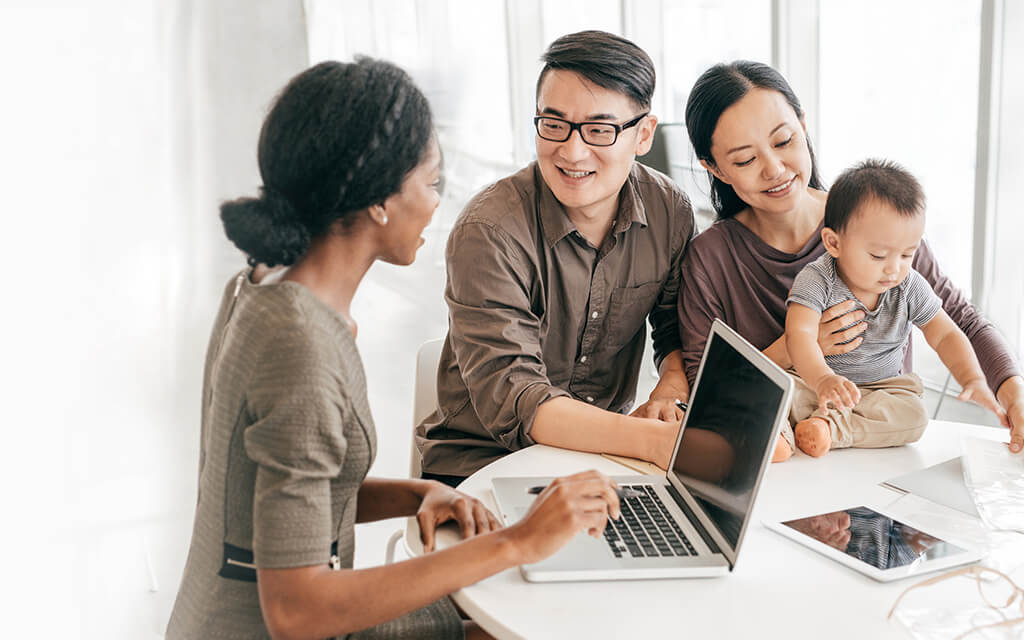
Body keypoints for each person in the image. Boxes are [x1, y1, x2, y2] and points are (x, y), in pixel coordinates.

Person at [165, 58, 625, 640]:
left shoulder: (263, 287)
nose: (438, 200)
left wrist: (418, 494)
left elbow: (291, 495)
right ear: (380, 200)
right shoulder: (302, 356)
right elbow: (298, 612)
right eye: (432, 182)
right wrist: (520, 541)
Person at [677, 60, 1023, 461]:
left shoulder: (877, 226)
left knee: (912, 413)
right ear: (713, 168)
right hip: (781, 472)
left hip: (880, 459)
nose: (774, 169)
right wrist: (799, 348)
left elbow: (959, 320)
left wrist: (1009, 387)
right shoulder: (710, 258)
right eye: (744, 160)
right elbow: (706, 386)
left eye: (784, 140)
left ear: (803, 127)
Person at [416, 31, 695, 485]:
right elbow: (518, 396)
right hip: (482, 466)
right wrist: (653, 441)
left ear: (643, 134)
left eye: (600, 130)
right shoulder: (489, 232)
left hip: (603, 457)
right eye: (554, 123)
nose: (571, 151)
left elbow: (674, 327)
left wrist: (672, 385)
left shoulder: (669, 212)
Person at [784, 159, 1007, 457]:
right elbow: (799, 334)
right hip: (816, 383)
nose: (894, 269)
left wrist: (973, 378)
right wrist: (823, 379)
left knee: (914, 416)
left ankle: (830, 430)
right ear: (834, 243)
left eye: (907, 254)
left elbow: (945, 335)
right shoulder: (817, 278)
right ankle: (782, 438)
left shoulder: (909, 285)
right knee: (782, 392)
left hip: (882, 390)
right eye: (878, 256)